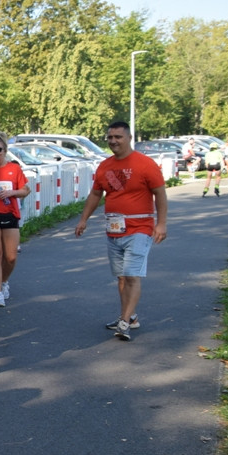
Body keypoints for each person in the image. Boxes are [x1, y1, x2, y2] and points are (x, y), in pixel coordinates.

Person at [74, 120, 168, 341]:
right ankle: (130, 316)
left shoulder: (145, 164)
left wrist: (161, 223)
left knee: (131, 275)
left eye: (118, 137)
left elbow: (160, 194)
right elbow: (96, 194)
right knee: (121, 277)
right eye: (110, 137)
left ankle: (124, 323)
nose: (113, 141)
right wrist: (83, 219)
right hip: (114, 230)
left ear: (128, 138)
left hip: (140, 228)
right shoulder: (105, 166)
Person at [0, 132, 30, 308]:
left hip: (10, 214)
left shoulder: (14, 169)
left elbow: (26, 190)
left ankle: (4, 280)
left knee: (10, 257)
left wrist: (12, 193)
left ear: (5, 150)